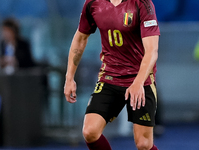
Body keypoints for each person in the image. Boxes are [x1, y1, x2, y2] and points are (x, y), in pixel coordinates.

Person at [64, 0, 160, 150]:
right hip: (110, 77)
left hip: (140, 79)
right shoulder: (92, 3)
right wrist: (69, 78)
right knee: (90, 132)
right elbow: (80, 39)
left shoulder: (142, 3)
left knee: (143, 144)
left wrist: (138, 82)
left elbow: (152, 51)